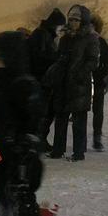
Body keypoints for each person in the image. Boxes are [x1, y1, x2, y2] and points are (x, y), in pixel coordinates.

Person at [0, 31, 45, 216]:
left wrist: (26, 142)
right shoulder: (1, 80)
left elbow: (34, 118)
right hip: (4, 146)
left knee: (20, 192)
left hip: (22, 151)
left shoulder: (24, 84)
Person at [48, 4, 100, 161]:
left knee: (79, 121)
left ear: (83, 21)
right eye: (71, 19)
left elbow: (93, 61)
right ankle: (58, 149)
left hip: (79, 85)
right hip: (63, 84)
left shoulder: (90, 38)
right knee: (61, 118)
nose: (73, 22)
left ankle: (78, 152)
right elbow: (59, 58)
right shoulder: (65, 39)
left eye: (76, 20)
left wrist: (80, 73)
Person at [29, 8, 65, 151]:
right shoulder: (42, 35)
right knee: (43, 113)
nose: (60, 30)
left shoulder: (45, 35)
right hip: (40, 81)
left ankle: (40, 139)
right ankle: (38, 140)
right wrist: (56, 58)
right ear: (54, 24)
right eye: (60, 26)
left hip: (43, 81)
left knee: (46, 113)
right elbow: (39, 58)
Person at [91, 14, 108, 151]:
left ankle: (97, 137)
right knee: (80, 111)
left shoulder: (101, 42)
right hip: (83, 80)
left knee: (98, 111)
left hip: (97, 81)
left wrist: (102, 73)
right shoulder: (82, 40)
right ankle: (81, 141)